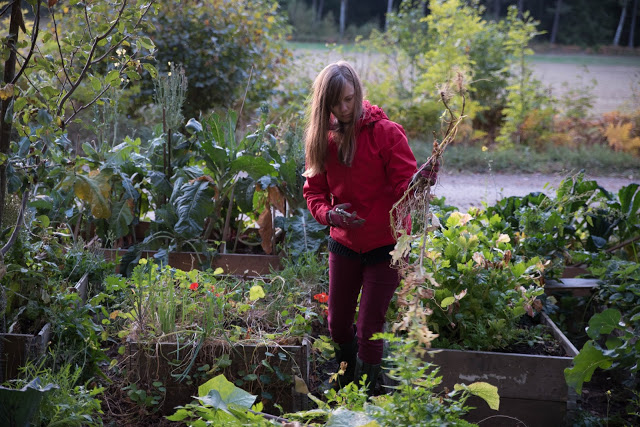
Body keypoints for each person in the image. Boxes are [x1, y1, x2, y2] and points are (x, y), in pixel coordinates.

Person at [302, 61, 438, 394]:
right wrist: (330, 215)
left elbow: (402, 189)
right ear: (326, 104)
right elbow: (314, 191)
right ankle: (345, 380)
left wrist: (420, 183)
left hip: (385, 246)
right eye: (336, 103)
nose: (344, 109)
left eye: (349, 99)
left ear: (358, 93)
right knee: (337, 325)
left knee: (369, 328)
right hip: (344, 243)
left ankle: (366, 393)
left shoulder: (386, 133)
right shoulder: (324, 138)